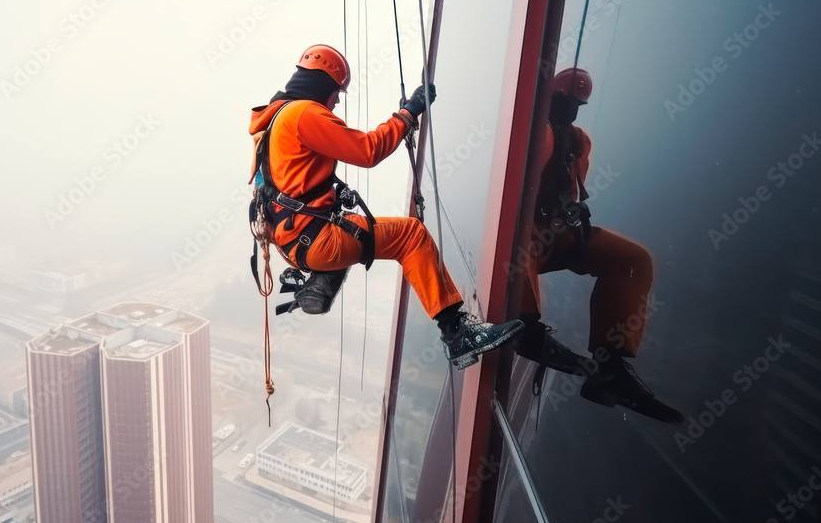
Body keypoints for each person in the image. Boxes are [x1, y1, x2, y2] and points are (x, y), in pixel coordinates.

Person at [249, 44, 523, 369]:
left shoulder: (271, 125)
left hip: (294, 242)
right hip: (317, 240)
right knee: (410, 236)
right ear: (323, 85)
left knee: (356, 227)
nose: (336, 101)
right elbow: (367, 151)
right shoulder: (304, 114)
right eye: (336, 93)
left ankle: (324, 278)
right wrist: (408, 114)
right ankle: (458, 335)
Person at [515, 67, 682, 422]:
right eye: (566, 101)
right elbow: (516, 190)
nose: (571, 109)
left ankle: (611, 368)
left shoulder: (576, 141)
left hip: (553, 233)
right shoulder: (531, 133)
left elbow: (573, 184)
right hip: (524, 239)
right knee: (518, 241)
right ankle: (525, 328)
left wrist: (571, 209)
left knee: (631, 259)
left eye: (577, 103)